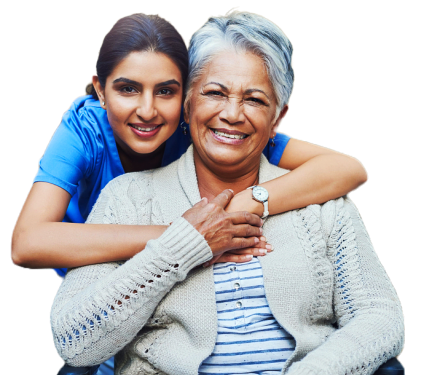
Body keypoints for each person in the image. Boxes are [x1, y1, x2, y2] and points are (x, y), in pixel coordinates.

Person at [49, 10, 404, 375]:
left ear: (277, 120)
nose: (232, 114)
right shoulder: (127, 198)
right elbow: (75, 341)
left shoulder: (324, 206)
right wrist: (181, 247)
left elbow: (380, 317)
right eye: (215, 93)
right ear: (188, 104)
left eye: (254, 100)